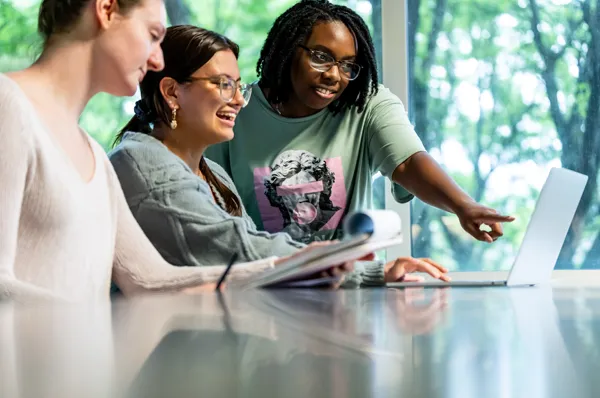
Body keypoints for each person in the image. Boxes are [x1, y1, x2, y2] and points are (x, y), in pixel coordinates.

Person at [0, 0, 353, 302]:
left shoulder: (93, 155)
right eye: (153, 35)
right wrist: (95, 329)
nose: (156, 60)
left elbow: (149, 280)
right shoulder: (7, 105)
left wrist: (302, 264)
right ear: (106, 9)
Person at [109, 25, 451, 287]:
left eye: (238, 86)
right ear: (172, 92)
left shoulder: (212, 172)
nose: (240, 100)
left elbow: (253, 259)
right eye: (223, 84)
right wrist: (368, 270)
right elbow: (237, 251)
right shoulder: (141, 161)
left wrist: (370, 271)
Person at [205, 0, 515, 246]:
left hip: (351, 288)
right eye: (320, 56)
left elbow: (407, 163)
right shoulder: (236, 108)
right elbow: (212, 201)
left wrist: (462, 205)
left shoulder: (366, 103)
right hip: (261, 287)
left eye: (348, 65)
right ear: (288, 50)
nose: (333, 74)